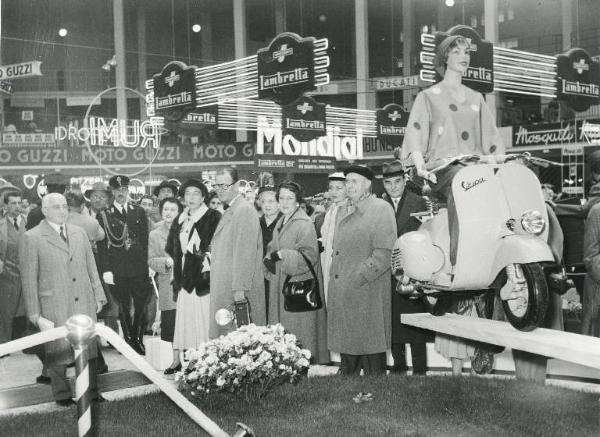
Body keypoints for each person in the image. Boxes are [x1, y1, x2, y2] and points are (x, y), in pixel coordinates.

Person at [401, 34, 505, 266]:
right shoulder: (427, 97)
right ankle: (461, 257)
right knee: (464, 183)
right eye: (456, 51)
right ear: (445, 57)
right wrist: (419, 167)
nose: (464, 56)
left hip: (475, 167)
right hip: (441, 168)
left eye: (467, 52)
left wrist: (503, 158)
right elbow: (415, 135)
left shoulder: (476, 98)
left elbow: (492, 139)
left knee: (506, 185)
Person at [20, 193, 107, 406]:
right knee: (57, 353)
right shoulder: (32, 237)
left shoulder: (79, 233)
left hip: (83, 301)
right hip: (54, 304)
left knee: (89, 351)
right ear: (45, 210)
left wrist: (99, 294)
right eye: (56, 207)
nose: (62, 211)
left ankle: (91, 392)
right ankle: (62, 395)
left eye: (65, 207)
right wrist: (35, 315)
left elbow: (91, 267)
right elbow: (29, 280)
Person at [327, 165, 397, 375]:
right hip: (346, 294)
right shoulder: (344, 209)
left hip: (368, 293)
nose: (349, 186)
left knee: (371, 352)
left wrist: (358, 278)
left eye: (354, 181)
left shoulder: (381, 209)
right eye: (347, 182)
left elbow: (385, 252)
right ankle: (349, 395)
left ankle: (376, 397)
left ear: (367, 185)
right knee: (350, 349)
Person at [263, 181, 328, 363]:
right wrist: (269, 257)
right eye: (281, 198)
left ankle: (299, 370)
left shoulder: (303, 223)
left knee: (299, 333)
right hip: (285, 283)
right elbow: (275, 246)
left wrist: (283, 255)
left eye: (289, 198)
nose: (284, 202)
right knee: (291, 333)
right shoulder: (284, 220)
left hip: (297, 284)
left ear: (298, 201)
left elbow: (309, 255)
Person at [380, 160, 432, 375]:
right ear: (383, 184)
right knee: (393, 321)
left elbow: (427, 233)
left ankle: (420, 369)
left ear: (404, 180)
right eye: (388, 183)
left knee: (415, 321)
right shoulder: (379, 205)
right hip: (388, 271)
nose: (393, 187)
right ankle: (398, 365)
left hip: (412, 269)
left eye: (397, 182)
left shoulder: (419, 202)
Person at [165, 180, 221, 370]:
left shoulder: (213, 216)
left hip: (203, 277)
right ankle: (186, 359)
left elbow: (219, 246)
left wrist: (205, 256)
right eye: (187, 193)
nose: (191, 197)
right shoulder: (180, 219)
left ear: (204, 196)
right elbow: (173, 248)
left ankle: (204, 360)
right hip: (184, 277)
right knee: (186, 319)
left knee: (203, 318)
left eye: (196, 193)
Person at [209, 167, 266, 338]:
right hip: (227, 285)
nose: (219, 190)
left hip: (235, 291)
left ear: (236, 186)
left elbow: (245, 252)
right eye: (216, 185)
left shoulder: (243, 210)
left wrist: (239, 291)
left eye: (224, 186)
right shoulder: (232, 209)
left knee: (238, 340)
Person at [96, 175, 150, 355]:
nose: (121, 193)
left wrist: (148, 263)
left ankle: (138, 339)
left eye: (124, 189)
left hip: (139, 266)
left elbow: (145, 240)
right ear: (112, 191)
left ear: (128, 191)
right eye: (118, 190)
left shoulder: (139, 211)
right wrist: (106, 269)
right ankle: (128, 340)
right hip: (118, 268)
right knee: (124, 306)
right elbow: (103, 246)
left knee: (141, 305)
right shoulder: (103, 215)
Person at [149, 197, 183, 374]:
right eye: (166, 209)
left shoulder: (189, 229)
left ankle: (190, 360)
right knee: (171, 325)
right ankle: (176, 361)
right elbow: (151, 261)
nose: (168, 213)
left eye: (173, 210)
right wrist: (167, 262)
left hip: (188, 285)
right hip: (168, 285)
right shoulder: (154, 234)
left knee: (187, 323)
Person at [84, 182, 119, 335]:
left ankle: (112, 336)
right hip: (87, 261)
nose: (98, 200)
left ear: (107, 199)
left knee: (111, 297)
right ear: (89, 198)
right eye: (95, 196)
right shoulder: (82, 216)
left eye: (102, 197)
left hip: (108, 262)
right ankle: (91, 336)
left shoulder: (113, 215)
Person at [319, 173, 347, 364]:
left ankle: (348, 360)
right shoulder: (331, 210)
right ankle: (340, 359)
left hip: (341, 271)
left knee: (343, 313)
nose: (334, 192)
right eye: (331, 188)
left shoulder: (348, 209)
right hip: (327, 267)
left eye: (339, 188)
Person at [0, 189, 26, 348]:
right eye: (13, 203)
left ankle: (33, 345)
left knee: (31, 311)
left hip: (29, 273)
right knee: (6, 312)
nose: (17, 206)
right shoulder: (0, 226)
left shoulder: (30, 221)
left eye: (19, 203)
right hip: (8, 275)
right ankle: (4, 345)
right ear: (5, 205)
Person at [258, 185, 283, 324]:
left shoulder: (285, 223)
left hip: (278, 274)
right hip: (260, 276)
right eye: (263, 201)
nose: (267, 205)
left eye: (271, 201)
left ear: (279, 203)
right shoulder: (256, 224)